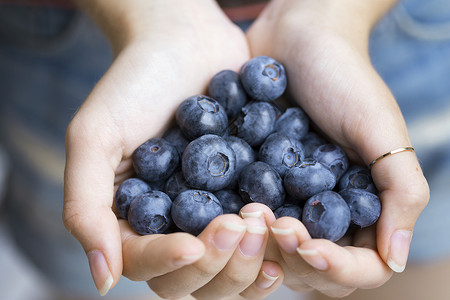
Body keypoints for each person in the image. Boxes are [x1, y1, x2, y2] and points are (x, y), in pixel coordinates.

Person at [2, 0, 445, 299]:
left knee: (414, 257)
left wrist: (330, 15)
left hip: (404, 40)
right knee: (94, 271)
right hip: (76, 41)